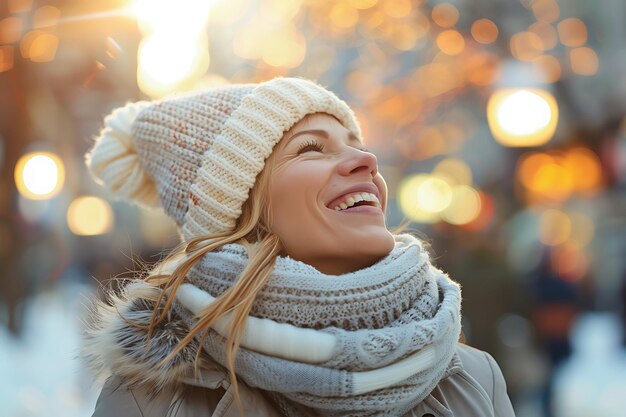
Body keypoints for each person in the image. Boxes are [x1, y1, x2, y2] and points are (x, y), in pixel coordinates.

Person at [83, 77, 516, 417]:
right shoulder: (155, 399)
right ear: (240, 214)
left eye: (358, 146)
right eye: (311, 148)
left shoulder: (476, 379)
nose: (368, 161)